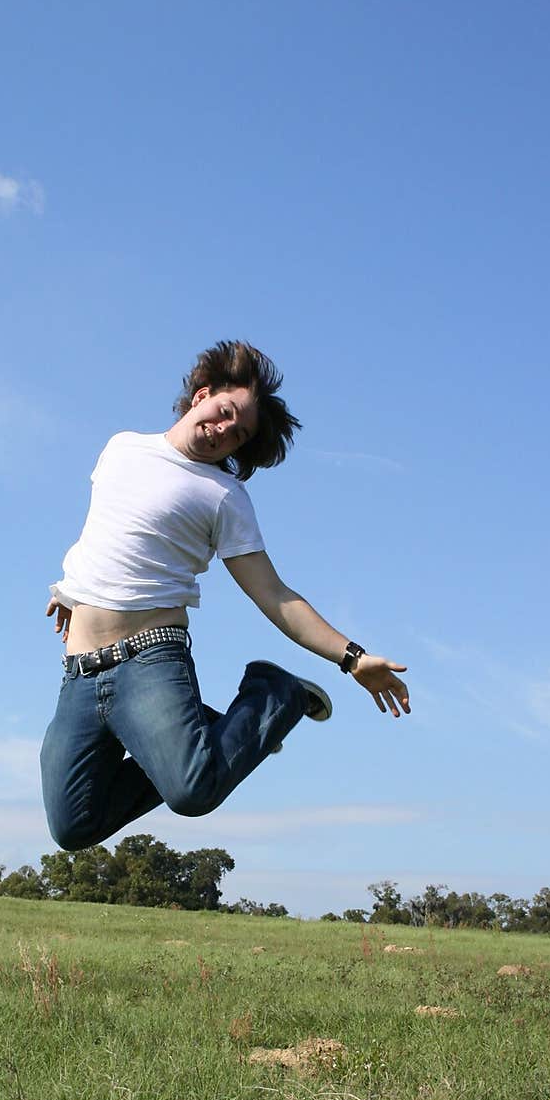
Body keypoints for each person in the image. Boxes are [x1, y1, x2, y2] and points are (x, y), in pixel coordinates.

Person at [40, 340, 410, 851]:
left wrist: (352, 657)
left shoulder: (224, 498)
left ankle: (273, 694)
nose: (223, 431)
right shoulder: (120, 447)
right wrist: (69, 589)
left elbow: (275, 595)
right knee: (73, 823)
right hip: (79, 673)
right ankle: (204, 732)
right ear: (202, 394)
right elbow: (105, 528)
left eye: (237, 436)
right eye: (225, 412)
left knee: (193, 790)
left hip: (149, 661)